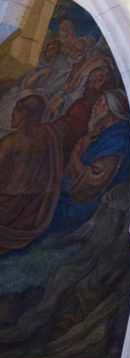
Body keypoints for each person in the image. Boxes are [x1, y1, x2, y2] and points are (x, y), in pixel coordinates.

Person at [48, 88, 130, 234]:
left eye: (100, 102)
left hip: (86, 205)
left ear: (111, 108)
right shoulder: (105, 132)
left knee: (43, 212)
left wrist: (75, 154)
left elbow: (92, 181)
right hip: (76, 195)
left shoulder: (118, 139)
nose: (95, 106)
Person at [0, 94, 64, 254]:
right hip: (34, 207)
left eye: (15, 110)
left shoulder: (11, 141)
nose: (12, 114)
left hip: (7, 207)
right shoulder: (51, 134)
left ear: (24, 114)